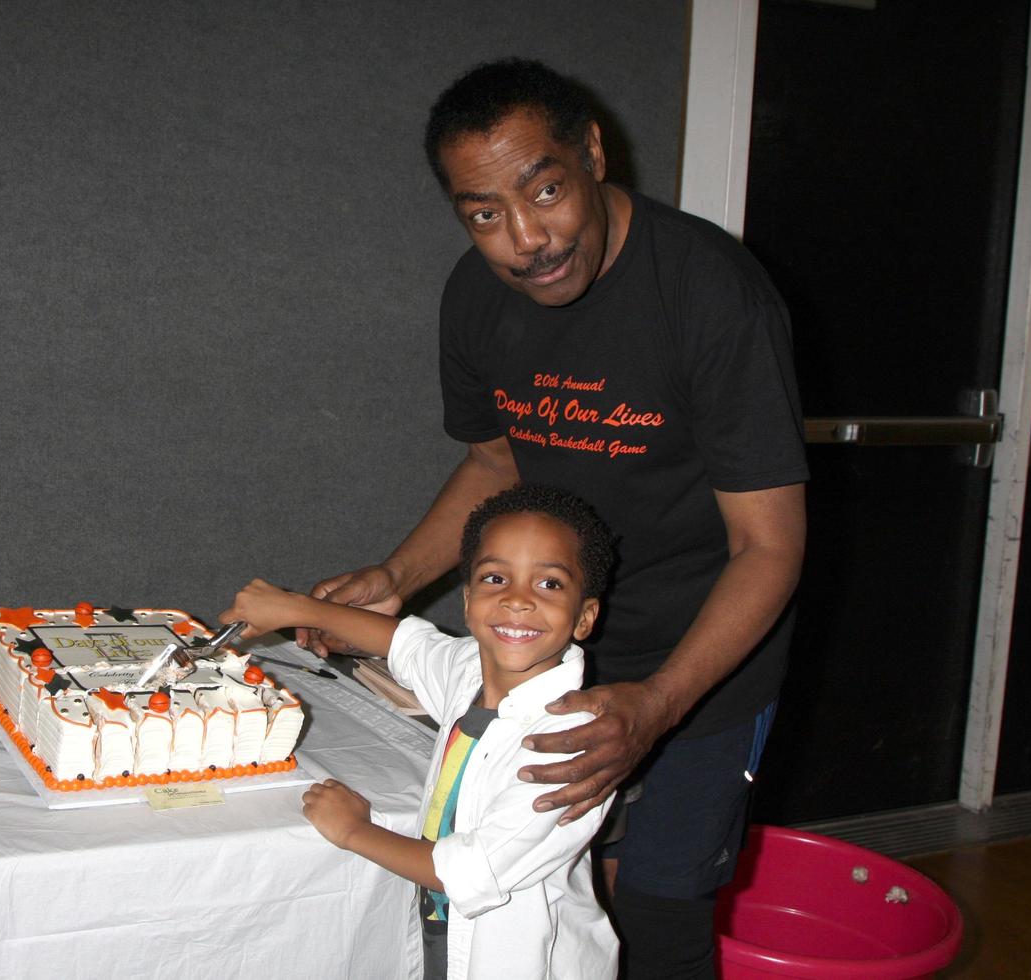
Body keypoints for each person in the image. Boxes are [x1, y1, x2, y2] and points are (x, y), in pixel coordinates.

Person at [296, 59, 809, 978]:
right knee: (567, 898)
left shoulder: (712, 297)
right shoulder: (474, 296)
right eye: (484, 213)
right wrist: (399, 578)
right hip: (546, 656)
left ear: (593, 155)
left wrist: (653, 706)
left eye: (544, 191)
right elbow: (497, 457)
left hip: (702, 663)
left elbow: (769, 545)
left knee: (656, 907)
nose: (526, 240)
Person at [222, 484, 621, 980]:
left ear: (585, 618)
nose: (517, 601)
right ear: (469, 599)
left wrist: (355, 832)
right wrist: (298, 609)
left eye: (549, 585)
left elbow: (471, 871)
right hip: (445, 931)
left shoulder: (570, 745)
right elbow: (405, 643)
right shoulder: (472, 670)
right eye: (497, 578)